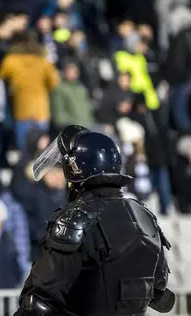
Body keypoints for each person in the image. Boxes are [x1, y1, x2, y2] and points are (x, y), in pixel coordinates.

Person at [15, 125, 175, 315]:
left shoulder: (74, 220)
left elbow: (37, 304)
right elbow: (161, 296)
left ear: (75, 169)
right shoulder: (145, 216)